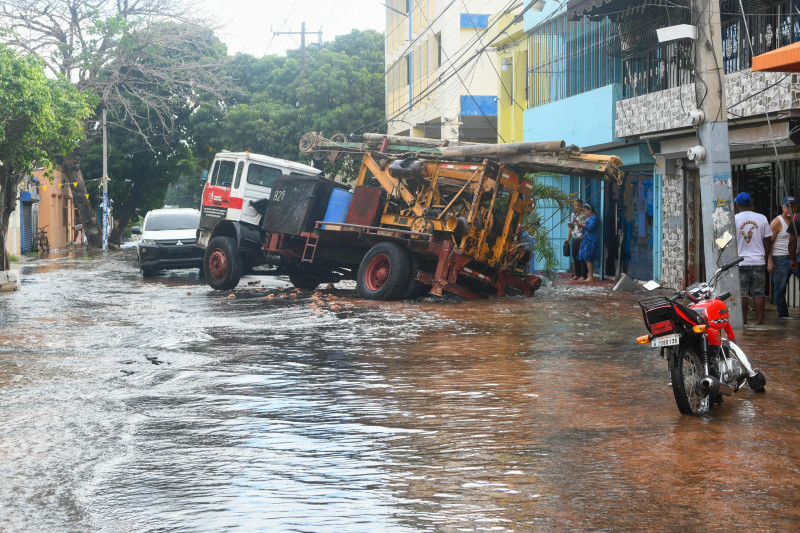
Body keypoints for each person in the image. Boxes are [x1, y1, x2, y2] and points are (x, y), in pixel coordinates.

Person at [734, 192, 772, 325]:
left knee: (742, 293)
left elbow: (726, 241)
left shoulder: (734, 219)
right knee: (759, 292)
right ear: (751, 203)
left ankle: (743, 321)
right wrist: (764, 257)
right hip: (758, 261)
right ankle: (760, 321)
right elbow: (768, 241)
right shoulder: (762, 218)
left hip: (740, 262)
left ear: (738, 205)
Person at [767, 196, 799, 318]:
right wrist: (770, 261)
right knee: (780, 289)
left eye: (794, 206)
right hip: (780, 258)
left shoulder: (797, 219)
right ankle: (783, 316)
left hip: (795, 257)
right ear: (782, 207)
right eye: (788, 206)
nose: (791, 208)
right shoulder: (777, 222)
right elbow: (768, 243)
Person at [574, 202, 599, 281]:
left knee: (588, 258)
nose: (585, 213)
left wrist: (581, 224)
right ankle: (589, 275)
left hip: (590, 240)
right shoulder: (589, 218)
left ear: (590, 210)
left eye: (585, 211)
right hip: (586, 239)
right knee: (585, 258)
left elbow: (590, 227)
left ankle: (590, 276)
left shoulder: (594, 217)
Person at [564, 199, 587, 280]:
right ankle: (577, 273)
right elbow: (571, 227)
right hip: (574, 236)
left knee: (582, 256)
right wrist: (568, 237)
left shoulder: (584, 214)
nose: (575, 206)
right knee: (575, 255)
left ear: (581, 206)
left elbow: (585, 225)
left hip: (582, 236)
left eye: (577, 205)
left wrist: (579, 224)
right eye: (575, 205)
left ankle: (583, 275)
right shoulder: (573, 214)